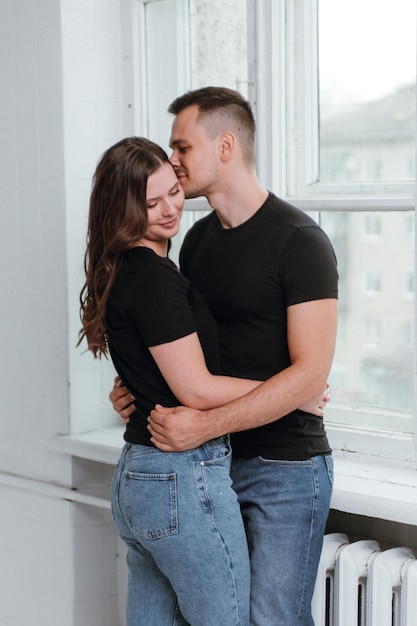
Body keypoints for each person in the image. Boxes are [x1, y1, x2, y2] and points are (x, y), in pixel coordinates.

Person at [110, 87, 338, 626]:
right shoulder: (195, 241)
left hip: (287, 463)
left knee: (271, 619)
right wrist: (139, 389)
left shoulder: (301, 241)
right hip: (212, 461)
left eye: (182, 147)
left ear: (226, 146)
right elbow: (181, 347)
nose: (173, 162)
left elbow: (312, 374)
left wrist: (201, 422)